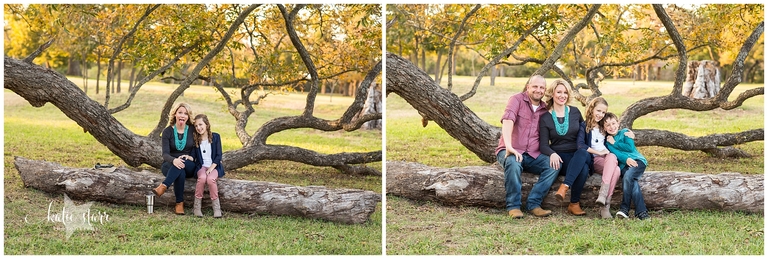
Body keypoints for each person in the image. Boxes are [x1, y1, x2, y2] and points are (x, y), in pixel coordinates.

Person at [495, 74, 560, 218]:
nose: (538, 90)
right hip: (510, 150)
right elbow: (508, 120)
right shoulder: (516, 100)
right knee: (513, 162)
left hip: (532, 154)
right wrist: (509, 146)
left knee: (554, 165)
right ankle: (513, 206)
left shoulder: (545, 109)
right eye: (535, 86)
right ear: (528, 87)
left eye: (542, 87)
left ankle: (534, 204)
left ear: (545, 90)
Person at [540, 79, 590, 216]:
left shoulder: (575, 112)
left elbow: (585, 132)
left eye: (565, 92)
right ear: (552, 94)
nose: (562, 96)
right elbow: (543, 145)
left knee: (582, 153)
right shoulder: (545, 117)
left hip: (579, 151)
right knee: (583, 169)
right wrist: (552, 154)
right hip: (561, 157)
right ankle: (574, 204)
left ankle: (565, 186)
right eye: (559, 92)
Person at [577, 97, 621, 219]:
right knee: (616, 168)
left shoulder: (603, 126)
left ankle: (604, 200)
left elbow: (615, 128)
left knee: (615, 165)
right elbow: (580, 145)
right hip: (595, 159)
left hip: (608, 159)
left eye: (603, 112)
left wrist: (626, 132)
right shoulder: (584, 126)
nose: (600, 114)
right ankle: (605, 204)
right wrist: (599, 152)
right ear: (591, 109)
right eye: (598, 111)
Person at [602, 112, 650, 220]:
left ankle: (624, 209)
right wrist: (625, 159)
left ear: (618, 123)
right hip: (624, 166)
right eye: (608, 125)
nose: (611, 127)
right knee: (631, 180)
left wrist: (615, 143)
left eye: (613, 123)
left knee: (628, 177)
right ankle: (642, 212)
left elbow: (630, 147)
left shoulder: (625, 132)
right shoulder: (607, 142)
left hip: (637, 160)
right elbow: (615, 154)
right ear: (604, 128)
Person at [153, 102, 197, 215]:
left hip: (188, 163)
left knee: (182, 164)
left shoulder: (192, 130)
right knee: (180, 171)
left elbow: (195, 149)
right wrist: (174, 160)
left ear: (188, 117)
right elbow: (165, 154)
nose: (182, 115)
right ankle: (179, 204)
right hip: (169, 164)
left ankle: (164, 186)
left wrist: (190, 157)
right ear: (175, 114)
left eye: (185, 113)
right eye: (180, 112)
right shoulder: (167, 131)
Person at [190, 114, 225, 218]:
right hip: (201, 166)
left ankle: (217, 208)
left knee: (210, 179)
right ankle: (197, 207)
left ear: (207, 124)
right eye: (196, 126)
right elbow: (193, 156)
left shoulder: (216, 137)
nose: (198, 127)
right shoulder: (196, 140)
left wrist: (211, 168)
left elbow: (219, 155)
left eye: (200, 124)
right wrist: (188, 157)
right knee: (202, 178)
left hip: (214, 166)